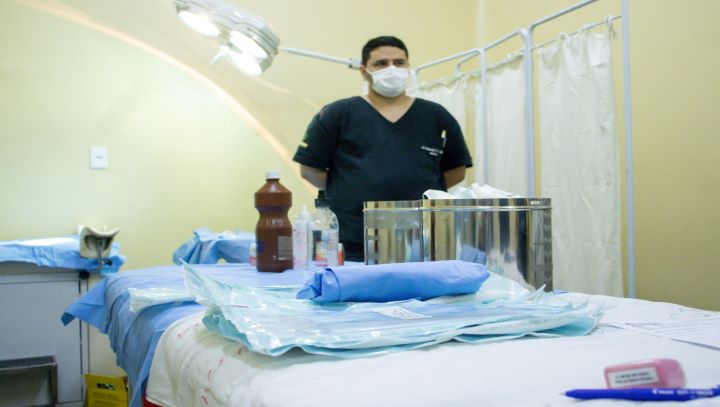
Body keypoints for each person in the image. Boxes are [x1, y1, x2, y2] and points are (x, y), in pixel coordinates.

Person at [292, 36, 473, 261]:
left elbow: (457, 171)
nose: (392, 69)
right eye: (381, 63)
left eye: (399, 63)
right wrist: (349, 186)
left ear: (408, 67)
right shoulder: (337, 114)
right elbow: (310, 170)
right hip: (355, 241)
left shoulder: (436, 116)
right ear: (364, 71)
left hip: (422, 239)